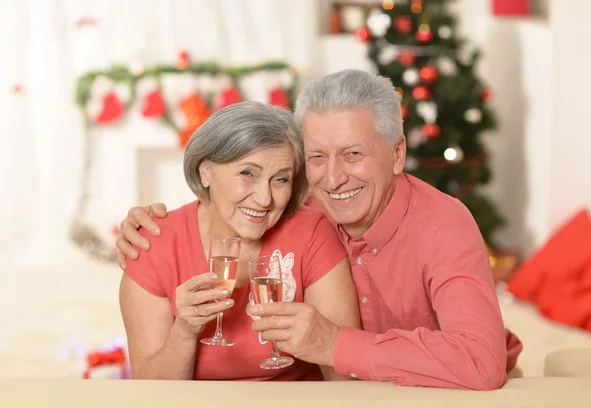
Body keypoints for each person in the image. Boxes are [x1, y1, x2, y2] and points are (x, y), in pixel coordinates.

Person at [117, 69, 523, 390]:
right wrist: (146, 227)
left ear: (397, 153)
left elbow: (480, 363)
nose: (333, 178)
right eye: (316, 157)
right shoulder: (301, 205)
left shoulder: (443, 226)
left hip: (427, 395)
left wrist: (334, 344)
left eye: (353, 154)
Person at [118, 101, 360, 381]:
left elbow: (344, 379)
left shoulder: (311, 234)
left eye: (280, 179)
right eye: (248, 173)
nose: (264, 198)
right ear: (205, 171)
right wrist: (184, 331)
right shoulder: (153, 244)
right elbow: (151, 394)